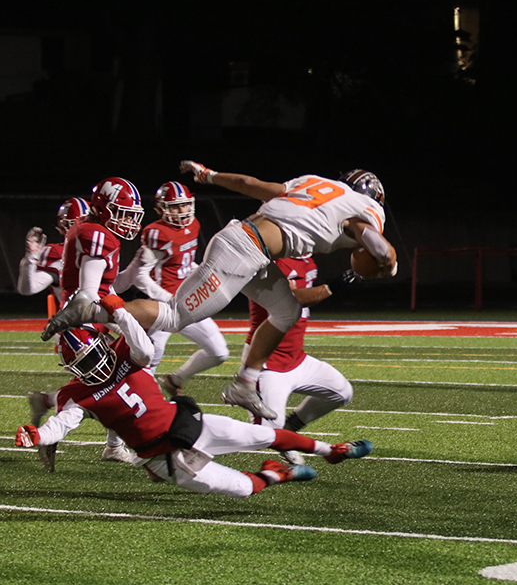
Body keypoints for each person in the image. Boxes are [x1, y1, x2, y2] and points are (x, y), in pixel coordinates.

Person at [44, 161, 397, 423]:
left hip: (253, 250)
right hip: (242, 251)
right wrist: (388, 263)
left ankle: (245, 383)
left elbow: (252, 184)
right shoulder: (364, 211)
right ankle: (89, 310)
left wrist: (210, 176)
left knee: (286, 310)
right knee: (174, 316)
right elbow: (373, 242)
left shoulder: (317, 185)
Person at [15, 293, 374, 498]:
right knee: (242, 490)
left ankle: (331, 451)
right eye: (84, 363)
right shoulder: (77, 394)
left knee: (264, 434)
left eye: (94, 354)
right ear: (72, 371)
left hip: (187, 424)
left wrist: (121, 313)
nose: (94, 365)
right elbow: (63, 424)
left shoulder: (126, 354)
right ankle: (276, 474)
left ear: (104, 346)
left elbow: (142, 348)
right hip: (163, 458)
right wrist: (38, 434)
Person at [53, 177, 145, 464]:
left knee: (126, 376)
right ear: (104, 208)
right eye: (123, 212)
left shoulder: (97, 231)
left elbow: (106, 289)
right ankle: (52, 429)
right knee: (113, 387)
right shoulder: (97, 235)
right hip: (81, 329)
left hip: (86, 324)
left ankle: (112, 446)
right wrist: (123, 318)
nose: (129, 221)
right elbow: (89, 295)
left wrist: (123, 320)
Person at [116, 181, 229, 396]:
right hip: (163, 305)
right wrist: (168, 299)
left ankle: (174, 380)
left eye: (185, 205)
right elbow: (140, 277)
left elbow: (185, 263)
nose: (182, 211)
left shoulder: (193, 225)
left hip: (189, 301)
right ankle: (136, 403)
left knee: (219, 352)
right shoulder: (157, 233)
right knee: (149, 357)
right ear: (161, 210)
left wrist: (203, 274)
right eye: (175, 207)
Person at [244, 255, 357, 465]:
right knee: (267, 436)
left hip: (296, 358)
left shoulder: (308, 262)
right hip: (267, 362)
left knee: (342, 392)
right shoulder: (274, 262)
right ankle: (202, 441)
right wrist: (333, 287)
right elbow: (292, 297)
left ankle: (291, 428)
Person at [17, 198, 90, 470]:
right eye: (78, 222)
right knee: (105, 388)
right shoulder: (58, 253)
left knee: (116, 382)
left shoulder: (103, 243)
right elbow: (29, 288)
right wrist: (31, 259)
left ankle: (46, 401)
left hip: (100, 326)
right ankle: (50, 431)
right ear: (65, 227)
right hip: (76, 333)